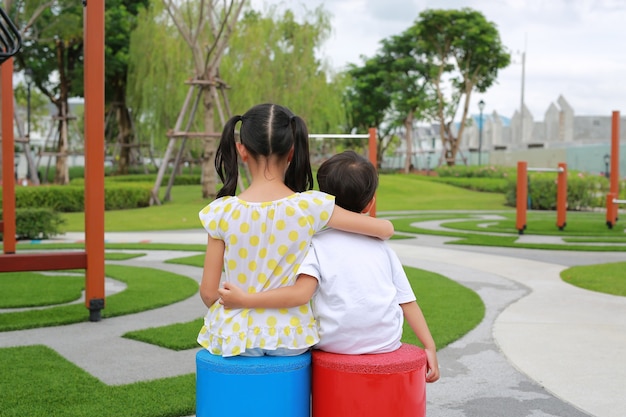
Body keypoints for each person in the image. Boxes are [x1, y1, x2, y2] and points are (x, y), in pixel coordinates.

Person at [219, 150, 439, 382]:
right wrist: (430, 346)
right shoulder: (383, 248)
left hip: (334, 343)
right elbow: (407, 301)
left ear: (323, 201)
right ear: (370, 202)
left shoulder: (315, 245)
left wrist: (245, 300)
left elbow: (301, 293)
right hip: (385, 341)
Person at [197, 104, 394, 358]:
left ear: (241, 151)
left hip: (237, 337)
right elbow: (384, 229)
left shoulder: (221, 211)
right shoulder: (310, 206)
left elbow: (209, 293)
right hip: (291, 336)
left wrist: (241, 303)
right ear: (291, 151)